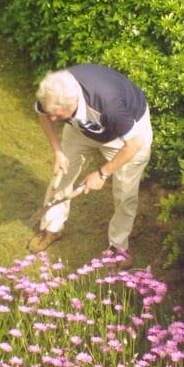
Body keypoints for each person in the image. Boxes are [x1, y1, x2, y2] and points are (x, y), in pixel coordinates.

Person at [27, 63, 153, 268]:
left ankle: (118, 247)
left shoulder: (109, 104)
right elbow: (44, 114)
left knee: (125, 193)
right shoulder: (53, 94)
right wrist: (58, 151)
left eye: (56, 115)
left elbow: (135, 144)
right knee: (61, 175)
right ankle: (52, 227)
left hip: (126, 137)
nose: (52, 118)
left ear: (72, 103)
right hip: (81, 130)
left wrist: (103, 173)